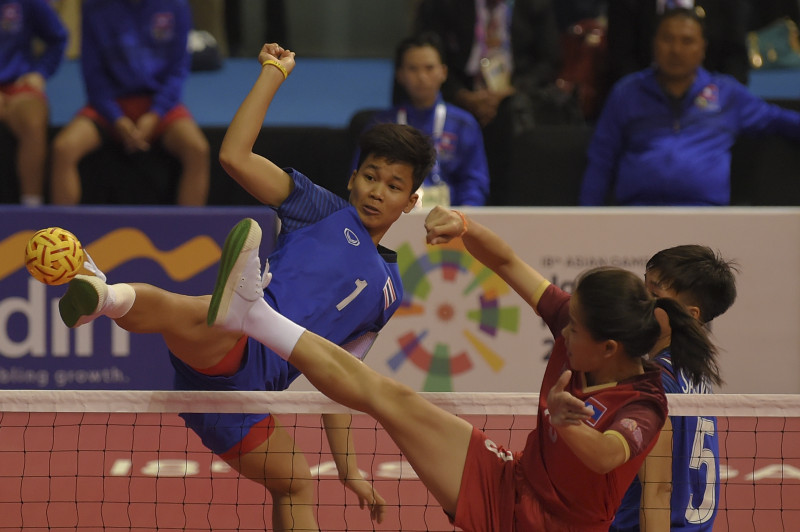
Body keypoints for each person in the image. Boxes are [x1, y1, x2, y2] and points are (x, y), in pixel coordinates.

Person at [54, 43, 435, 529]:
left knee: (296, 480)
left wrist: (350, 469)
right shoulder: (320, 209)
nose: (378, 191)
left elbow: (340, 381)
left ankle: (139, 298)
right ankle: (105, 296)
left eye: (394, 185)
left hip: (248, 399)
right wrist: (273, 73)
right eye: (370, 176)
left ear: (411, 201)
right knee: (198, 313)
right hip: (229, 352)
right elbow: (235, 156)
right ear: (352, 178)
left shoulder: (388, 292)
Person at [207, 204, 720, 531]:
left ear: (609, 348)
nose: (562, 331)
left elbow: (610, 455)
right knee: (390, 396)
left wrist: (571, 424)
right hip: (508, 481)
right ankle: (253, 314)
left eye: (574, 331)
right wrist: (465, 227)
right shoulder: (574, 319)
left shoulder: (646, 402)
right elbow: (507, 262)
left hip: (548, 528)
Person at [579, 7, 800, 206]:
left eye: (687, 41)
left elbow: (777, 119)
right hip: (638, 212)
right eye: (668, 39)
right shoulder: (626, 92)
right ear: (654, 43)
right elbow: (601, 159)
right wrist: (588, 220)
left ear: (702, 47)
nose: (676, 49)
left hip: (705, 216)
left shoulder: (727, 93)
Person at [611, 244, 738, 532]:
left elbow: (658, 491)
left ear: (690, 313)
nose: (639, 300)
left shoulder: (654, 381)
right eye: (643, 285)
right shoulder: (694, 373)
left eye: (654, 295)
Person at [49, 0, 209, 206]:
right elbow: (93, 73)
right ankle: (60, 236)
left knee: (198, 149)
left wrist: (155, 113)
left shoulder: (175, 5)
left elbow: (178, 70)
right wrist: (116, 118)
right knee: (64, 148)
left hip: (158, 105)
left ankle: (191, 233)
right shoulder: (94, 7)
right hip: (109, 106)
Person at [413, 0, 568, 205]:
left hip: (515, 97)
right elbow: (429, 56)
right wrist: (462, 95)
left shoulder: (535, 5)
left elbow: (548, 62)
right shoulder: (444, 6)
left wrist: (509, 92)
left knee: (515, 119)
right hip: (458, 94)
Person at [353, 32, 490, 207]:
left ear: (443, 72)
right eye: (413, 69)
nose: (422, 77)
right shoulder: (382, 125)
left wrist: (460, 219)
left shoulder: (464, 124)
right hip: (392, 217)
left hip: (449, 218)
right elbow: (363, 178)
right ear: (400, 75)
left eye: (429, 68)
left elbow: (475, 183)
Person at [0, 0, 67, 206]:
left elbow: (58, 37)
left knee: (34, 120)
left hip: (17, 86)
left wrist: (40, 72)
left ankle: (31, 206)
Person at [606, 0, 750, 89]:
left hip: (711, 108)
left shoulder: (728, 4)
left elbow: (735, 58)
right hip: (642, 108)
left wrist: (719, 101)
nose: (676, 50)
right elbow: (621, 58)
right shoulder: (626, 3)